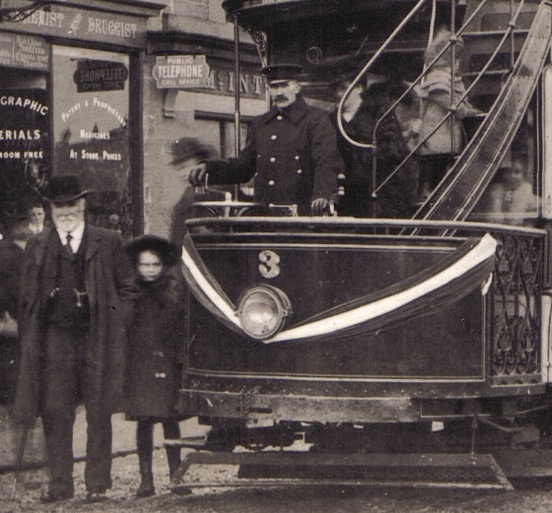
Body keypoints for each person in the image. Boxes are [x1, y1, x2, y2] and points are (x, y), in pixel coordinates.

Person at [11, 174, 137, 503]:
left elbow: (127, 289)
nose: (66, 211)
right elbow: (26, 297)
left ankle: (97, 484)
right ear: (51, 209)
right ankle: (60, 485)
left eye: (71, 203)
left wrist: (115, 318)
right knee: (56, 412)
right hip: (55, 340)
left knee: (99, 410)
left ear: (83, 204)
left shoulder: (107, 241)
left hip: (97, 337)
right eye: (59, 205)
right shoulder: (38, 246)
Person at [189, 63, 342, 216]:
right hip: (265, 217)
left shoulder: (316, 120)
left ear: (297, 87)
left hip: (301, 217)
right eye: (273, 87)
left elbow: (326, 161)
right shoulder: (261, 123)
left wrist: (322, 194)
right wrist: (210, 169)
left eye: (284, 85)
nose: (279, 92)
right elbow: (244, 167)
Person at [125, 235, 187, 498]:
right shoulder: (130, 294)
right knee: (144, 420)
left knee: (170, 420)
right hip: (139, 362)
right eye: (144, 265)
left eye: (154, 265)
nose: (149, 270)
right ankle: (146, 480)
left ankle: (176, 477)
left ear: (163, 266)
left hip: (167, 361)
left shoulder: (173, 293)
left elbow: (181, 329)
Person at [330, 74, 415, 218]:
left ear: (360, 88)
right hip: (347, 189)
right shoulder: (332, 118)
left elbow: (394, 150)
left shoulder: (378, 113)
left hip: (378, 188)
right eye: (336, 90)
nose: (339, 94)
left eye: (344, 88)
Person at [417, 26, 480, 202]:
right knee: (435, 167)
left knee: (441, 166)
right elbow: (452, 104)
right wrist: (467, 110)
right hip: (437, 133)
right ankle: (428, 194)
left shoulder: (447, 78)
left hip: (444, 133)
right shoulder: (438, 78)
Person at [169, 137, 218, 245]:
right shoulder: (182, 205)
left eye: (186, 167)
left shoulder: (220, 193)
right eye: (179, 169)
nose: (182, 173)